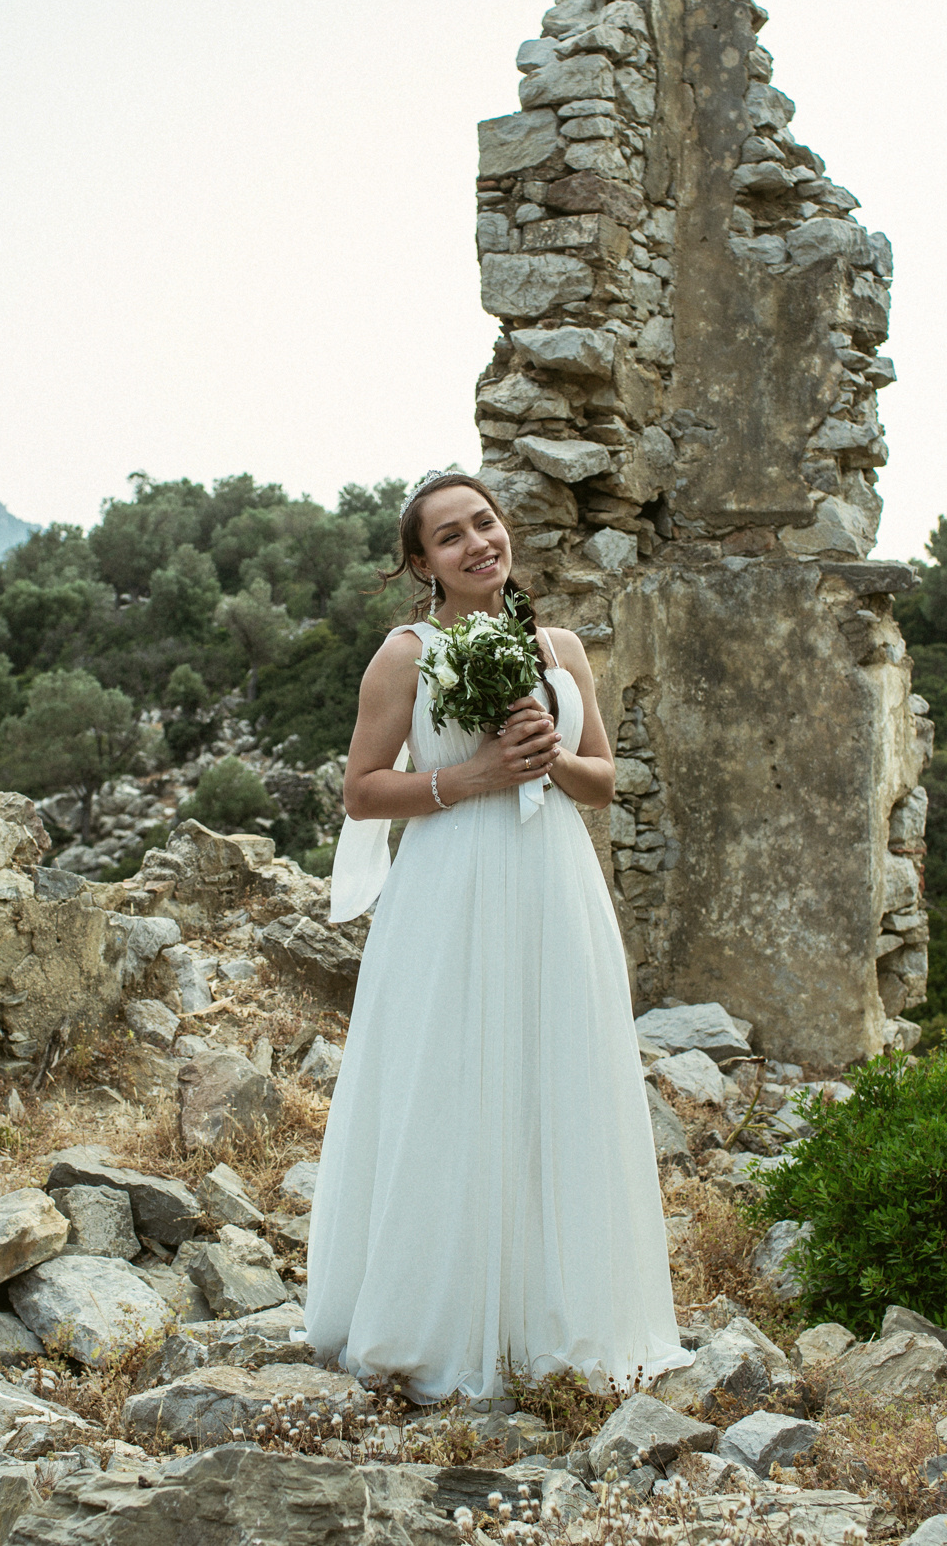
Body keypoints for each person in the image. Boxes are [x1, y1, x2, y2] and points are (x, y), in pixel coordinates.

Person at [298, 470, 690, 1406]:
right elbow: (360, 790)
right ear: (420, 561)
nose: (478, 543)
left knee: (555, 1075)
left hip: (554, 886)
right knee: (450, 1078)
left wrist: (549, 757)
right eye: (449, 536)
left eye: (486, 521)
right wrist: (471, 775)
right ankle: (433, 1314)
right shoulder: (405, 653)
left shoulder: (560, 647)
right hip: (450, 892)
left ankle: (555, 1314)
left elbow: (603, 780)